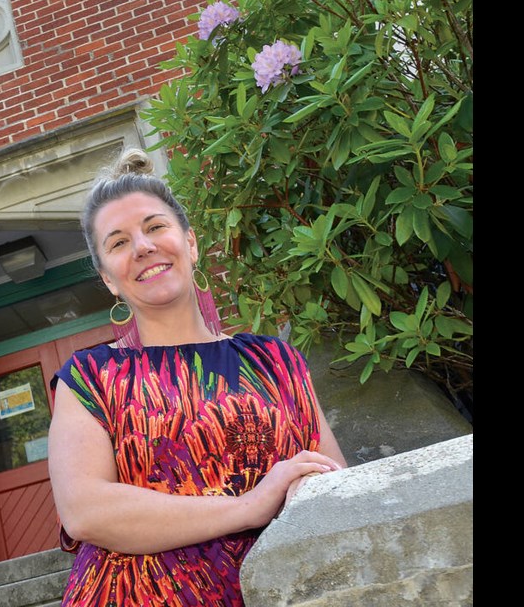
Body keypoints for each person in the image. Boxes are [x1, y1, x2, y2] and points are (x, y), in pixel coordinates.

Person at [47, 148, 347, 606]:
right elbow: (84, 510)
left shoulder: (275, 360)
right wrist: (249, 505)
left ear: (190, 243)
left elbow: (334, 480)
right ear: (108, 279)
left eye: (154, 227)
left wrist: (306, 484)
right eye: (118, 242)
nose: (143, 247)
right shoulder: (90, 377)